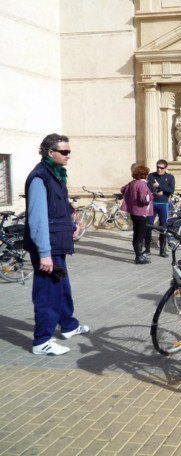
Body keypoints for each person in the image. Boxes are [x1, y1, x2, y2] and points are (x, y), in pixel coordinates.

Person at [23, 133, 90, 355]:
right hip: (47, 248)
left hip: (57, 245)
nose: (68, 155)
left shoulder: (56, 174)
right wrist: (44, 253)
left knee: (62, 288)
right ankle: (42, 341)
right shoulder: (40, 177)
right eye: (64, 152)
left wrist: (72, 224)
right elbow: (38, 218)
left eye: (69, 151)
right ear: (50, 152)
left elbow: (58, 208)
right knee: (47, 293)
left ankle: (68, 326)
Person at [121, 165, 154, 264]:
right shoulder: (142, 184)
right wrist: (152, 195)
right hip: (142, 213)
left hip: (134, 212)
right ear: (144, 174)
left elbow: (122, 189)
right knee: (140, 236)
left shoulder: (132, 183)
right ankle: (138, 257)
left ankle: (138, 255)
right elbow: (144, 199)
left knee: (136, 235)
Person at [145, 159, 175, 258]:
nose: (159, 169)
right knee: (148, 226)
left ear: (165, 168)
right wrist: (155, 191)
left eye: (161, 168)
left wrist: (159, 186)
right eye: (157, 167)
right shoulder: (151, 176)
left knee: (163, 227)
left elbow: (171, 190)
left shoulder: (170, 177)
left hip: (163, 204)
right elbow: (147, 188)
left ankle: (162, 250)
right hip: (153, 204)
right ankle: (147, 250)